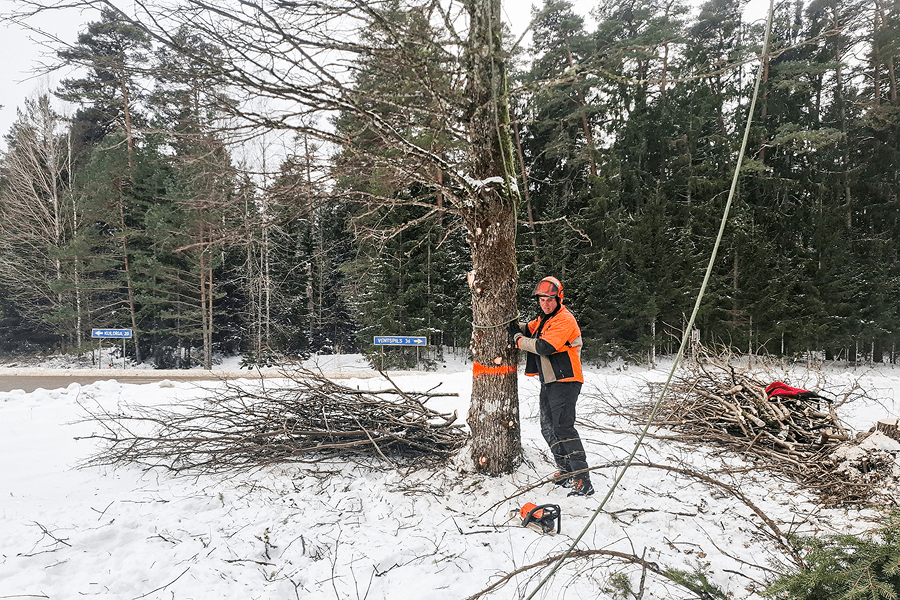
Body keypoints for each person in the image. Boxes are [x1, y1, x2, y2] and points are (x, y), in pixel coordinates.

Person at [508, 276, 594, 497]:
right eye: (542, 300)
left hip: (566, 381)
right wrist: (509, 325)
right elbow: (529, 329)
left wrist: (517, 340)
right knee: (548, 428)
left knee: (564, 427)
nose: (546, 304)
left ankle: (582, 479)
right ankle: (566, 471)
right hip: (549, 382)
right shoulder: (545, 319)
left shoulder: (564, 320)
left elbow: (544, 346)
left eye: (550, 300)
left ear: (559, 299)